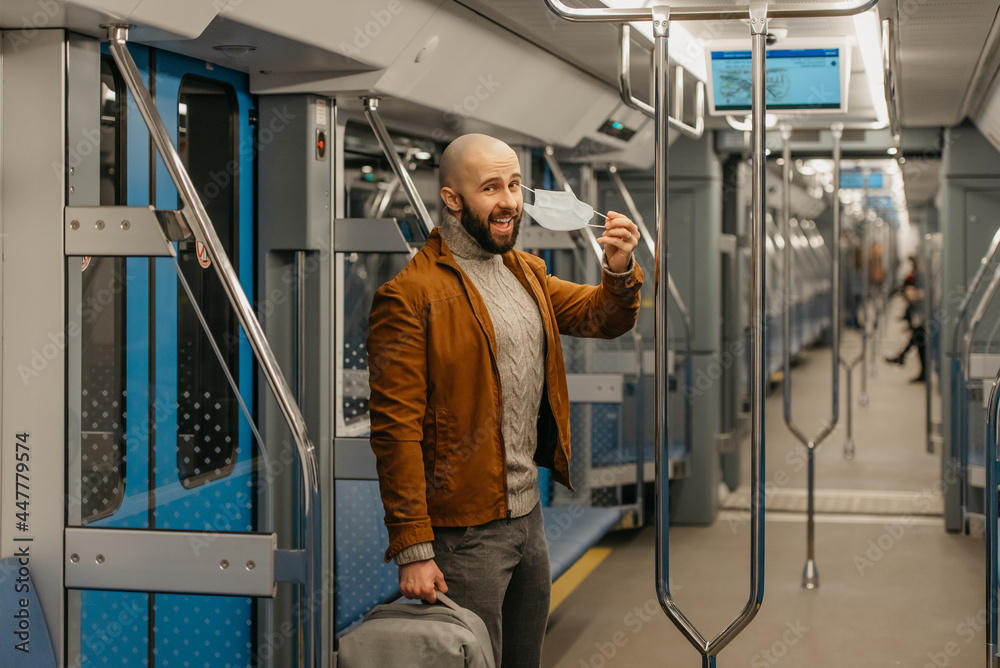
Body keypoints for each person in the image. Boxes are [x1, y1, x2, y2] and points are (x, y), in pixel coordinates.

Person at [366, 133, 643, 667]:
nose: (509, 201)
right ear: (452, 199)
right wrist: (413, 548)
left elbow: (601, 317)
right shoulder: (408, 297)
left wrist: (617, 269)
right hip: (462, 533)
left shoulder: (525, 271)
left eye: (515, 185)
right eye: (491, 187)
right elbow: (395, 432)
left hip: (527, 516)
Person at [885, 255, 926, 382]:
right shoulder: (916, 276)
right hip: (922, 314)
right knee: (919, 338)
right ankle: (903, 357)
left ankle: (902, 356)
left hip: (925, 314)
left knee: (919, 336)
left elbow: (917, 294)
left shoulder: (919, 276)